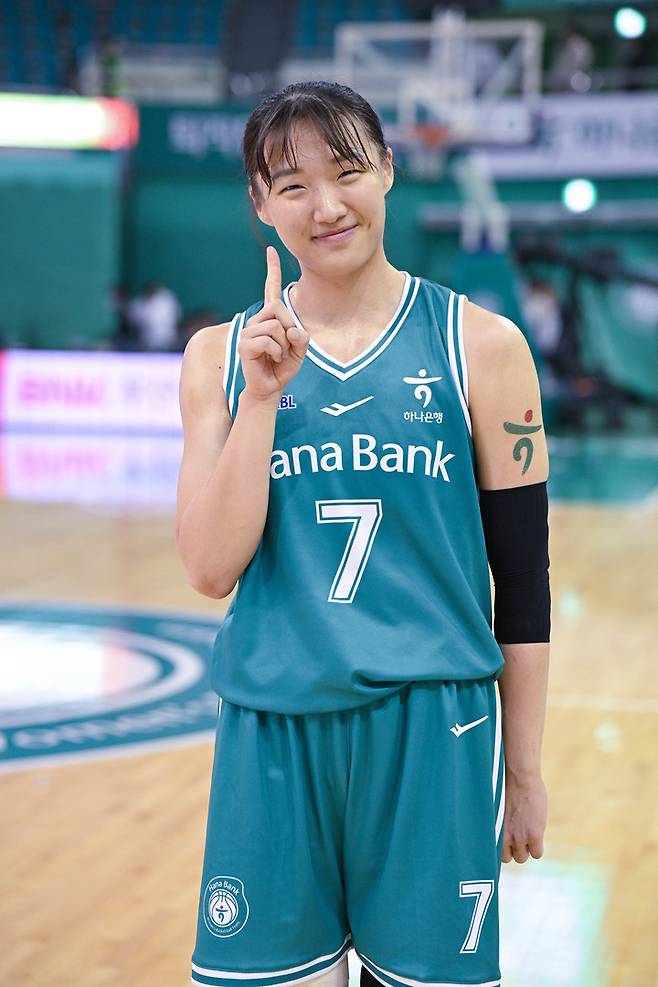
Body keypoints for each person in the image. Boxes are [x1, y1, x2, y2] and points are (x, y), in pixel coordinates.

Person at [176, 81, 550, 987]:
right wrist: (262, 398)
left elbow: (523, 579)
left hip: (435, 731)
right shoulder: (219, 357)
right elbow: (210, 567)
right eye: (292, 185)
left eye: (346, 172)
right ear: (260, 204)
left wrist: (526, 768)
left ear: (386, 168)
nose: (327, 205)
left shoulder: (484, 345)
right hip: (272, 730)